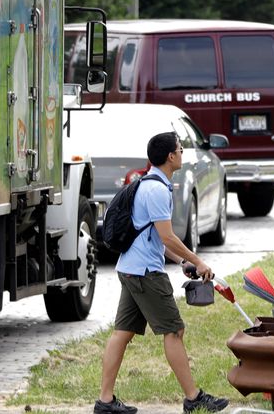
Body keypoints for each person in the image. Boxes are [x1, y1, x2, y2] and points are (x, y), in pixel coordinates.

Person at [95, 132, 229, 414]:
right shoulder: (156, 190)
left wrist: (181, 262)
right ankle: (193, 398)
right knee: (174, 331)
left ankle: (105, 402)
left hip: (130, 268)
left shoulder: (148, 183)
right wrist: (198, 261)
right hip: (146, 273)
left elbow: (155, 236)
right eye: (180, 149)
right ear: (170, 156)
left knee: (122, 333)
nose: (182, 153)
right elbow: (167, 236)